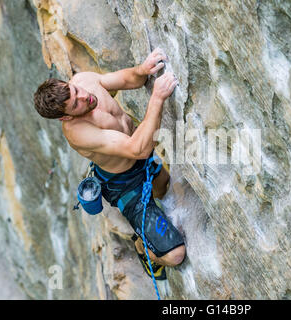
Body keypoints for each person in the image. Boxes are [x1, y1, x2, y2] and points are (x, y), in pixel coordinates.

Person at [33, 48, 185, 280]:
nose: (84, 97)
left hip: (140, 158)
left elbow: (125, 79)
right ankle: (143, 248)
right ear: (65, 117)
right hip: (125, 183)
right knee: (175, 255)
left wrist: (143, 70)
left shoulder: (83, 81)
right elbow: (138, 148)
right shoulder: (79, 133)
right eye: (75, 104)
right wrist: (157, 97)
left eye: (76, 90)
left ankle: (150, 224)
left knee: (163, 186)